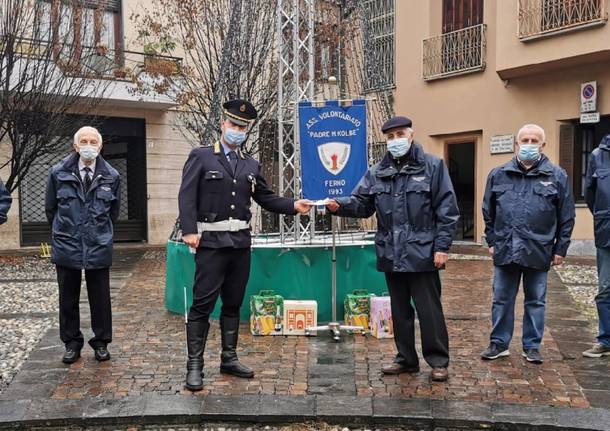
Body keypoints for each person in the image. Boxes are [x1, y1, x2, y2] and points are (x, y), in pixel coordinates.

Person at [178, 99, 313, 391]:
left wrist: (293, 205)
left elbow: (264, 197)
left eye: (243, 127)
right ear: (223, 124)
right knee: (202, 304)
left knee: (233, 302)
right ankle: (195, 366)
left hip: (240, 244)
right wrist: (189, 230)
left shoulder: (250, 164)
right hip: (211, 242)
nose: (237, 130)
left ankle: (229, 358)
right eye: (234, 125)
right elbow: (186, 195)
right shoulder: (201, 157)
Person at [326, 116, 459, 382]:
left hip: (423, 253)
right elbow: (362, 204)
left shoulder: (433, 166)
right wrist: (339, 204)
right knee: (399, 311)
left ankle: (438, 360)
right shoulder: (377, 172)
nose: (395, 140)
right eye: (390, 137)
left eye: (400, 134)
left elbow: (447, 211)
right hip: (391, 252)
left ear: (411, 135)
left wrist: (442, 247)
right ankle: (406, 359)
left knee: (429, 310)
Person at [481, 124, 575, 364]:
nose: (529, 145)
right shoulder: (498, 174)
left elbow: (566, 216)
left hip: (539, 249)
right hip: (505, 249)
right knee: (501, 299)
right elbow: (488, 211)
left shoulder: (556, 175)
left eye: (534, 141)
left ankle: (532, 346)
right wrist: (492, 240)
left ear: (543, 146)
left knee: (535, 300)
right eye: (525, 140)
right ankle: (499, 343)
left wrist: (560, 249)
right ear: (517, 144)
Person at [45, 126, 120, 364]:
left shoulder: (112, 176)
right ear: (75, 146)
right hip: (68, 243)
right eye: (84, 141)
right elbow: (51, 210)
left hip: (98, 243)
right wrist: (64, 231)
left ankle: (101, 343)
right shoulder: (58, 173)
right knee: (68, 297)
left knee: (101, 298)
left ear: (100, 146)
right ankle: (71, 343)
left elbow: (113, 213)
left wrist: (99, 233)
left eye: (93, 141)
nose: (89, 145)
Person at [583, 134, 610, 358]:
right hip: (607, 234)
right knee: (605, 289)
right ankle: (605, 340)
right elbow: (589, 193)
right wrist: (603, 216)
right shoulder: (598, 155)